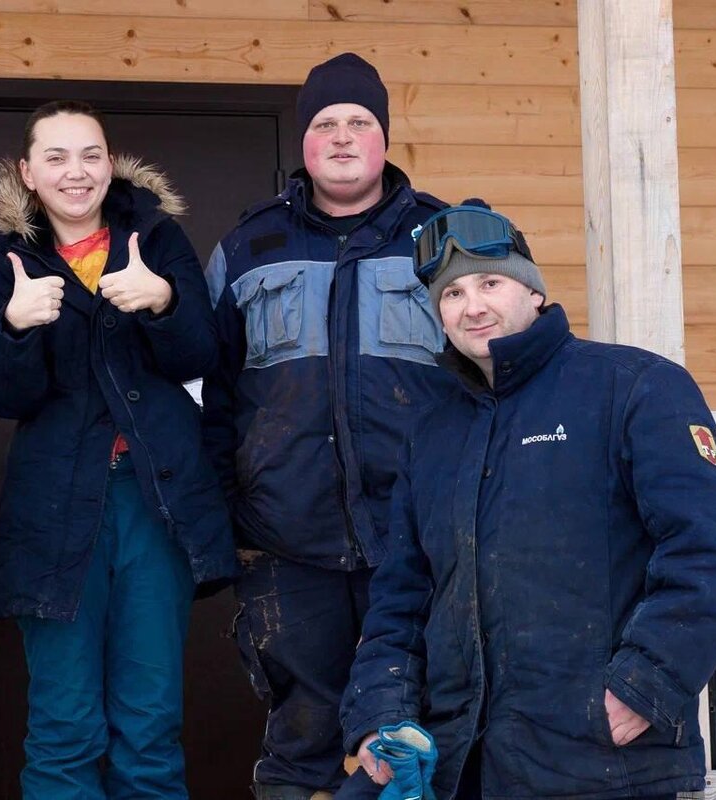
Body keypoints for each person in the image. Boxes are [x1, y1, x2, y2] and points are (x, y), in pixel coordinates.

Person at [337, 204, 716, 799]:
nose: (471, 305)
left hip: (602, 763)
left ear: (534, 293)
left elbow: (713, 553)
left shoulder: (634, 387)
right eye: (451, 293)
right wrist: (381, 712)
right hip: (464, 765)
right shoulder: (431, 432)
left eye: (490, 281)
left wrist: (644, 685)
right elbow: (402, 593)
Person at [201, 53, 457, 799]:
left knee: (426, 734)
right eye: (324, 123)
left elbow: (494, 376)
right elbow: (211, 397)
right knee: (300, 740)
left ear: (384, 137)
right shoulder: (249, 247)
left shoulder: (445, 239)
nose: (342, 137)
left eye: (359, 122)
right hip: (288, 544)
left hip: (420, 540)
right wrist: (225, 521)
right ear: (303, 141)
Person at [0, 100, 237, 800]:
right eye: (55, 157)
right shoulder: (10, 265)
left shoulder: (156, 237)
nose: (76, 171)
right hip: (54, 515)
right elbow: (4, 396)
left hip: (155, 503)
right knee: (64, 728)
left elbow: (203, 353)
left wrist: (163, 301)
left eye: (89, 154)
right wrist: (16, 326)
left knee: (149, 726)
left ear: (109, 160)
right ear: (28, 172)